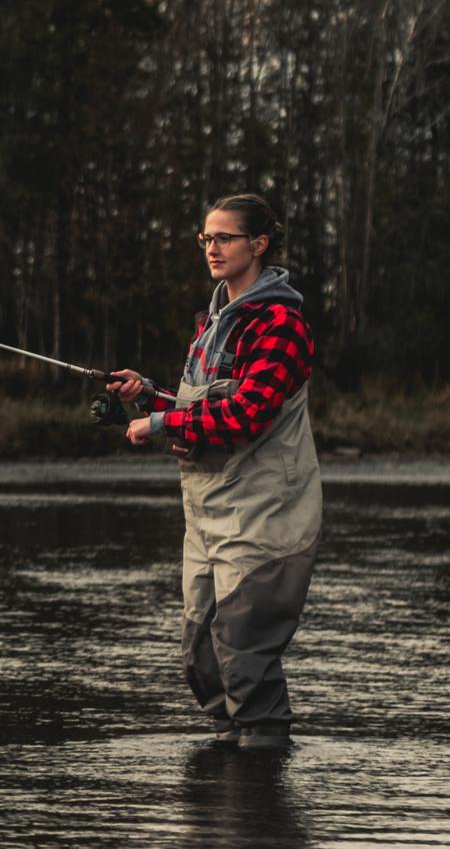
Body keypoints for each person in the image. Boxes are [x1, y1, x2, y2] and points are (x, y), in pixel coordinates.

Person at [107, 192, 322, 750]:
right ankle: (233, 787)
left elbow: (247, 413)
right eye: (206, 238)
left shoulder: (281, 323)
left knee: (244, 651)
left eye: (224, 238)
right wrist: (148, 395)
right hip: (208, 517)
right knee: (202, 658)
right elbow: (199, 407)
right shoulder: (212, 325)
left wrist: (157, 424)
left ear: (259, 244)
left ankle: (264, 793)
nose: (212, 248)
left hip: (266, 516)